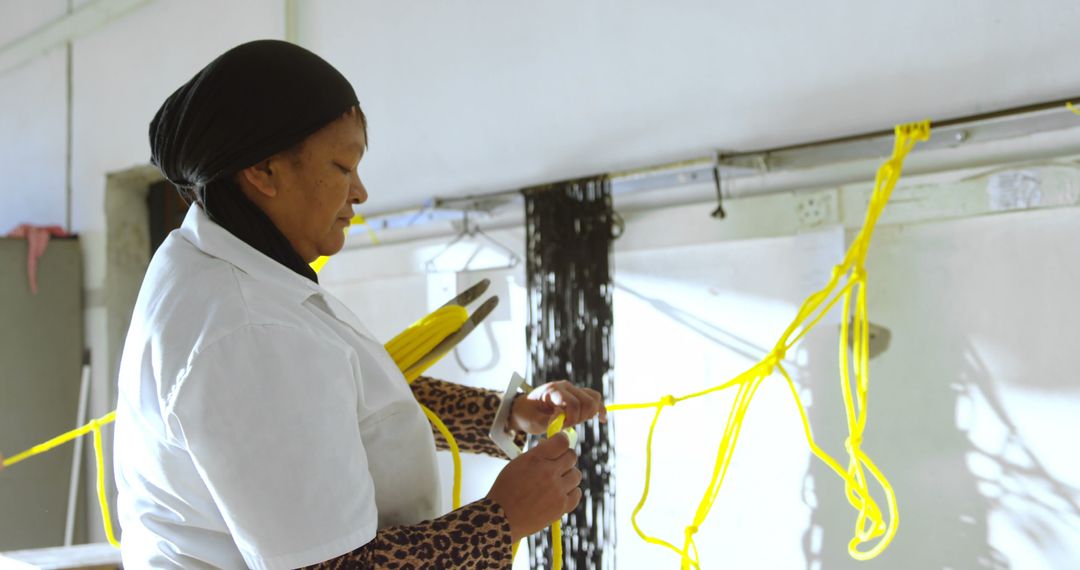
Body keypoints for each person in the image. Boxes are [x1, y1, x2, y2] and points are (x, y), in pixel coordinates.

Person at [113, 39, 606, 569]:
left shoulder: (230, 270)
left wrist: (508, 415)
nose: (361, 192)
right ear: (264, 171)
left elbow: (341, 397)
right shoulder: (250, 329)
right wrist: (503, 518)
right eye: (344, 166)